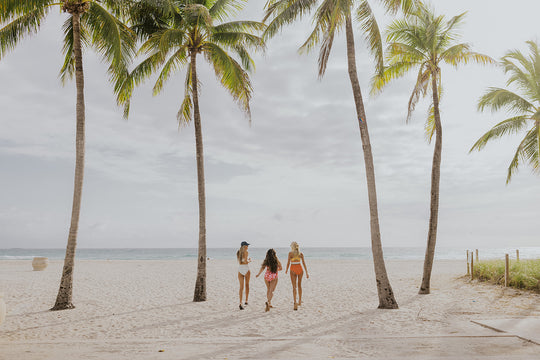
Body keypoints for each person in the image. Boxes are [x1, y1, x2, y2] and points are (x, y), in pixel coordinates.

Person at [285, 241, 309, 310]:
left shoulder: (290, 253)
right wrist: (307, 272)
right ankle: (299, 301)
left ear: (292, 247)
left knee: (294, 287)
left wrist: (286, 270)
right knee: (299, 285)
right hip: (300, 269)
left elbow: (288, 263)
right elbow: (304, 263)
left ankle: (295, 301)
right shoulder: (301, 254)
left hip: (292, 269)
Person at [236, 241, 251, 310]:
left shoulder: (238, 252)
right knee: (247, 285)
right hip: (246, 268)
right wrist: (249, 260)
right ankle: (246, 301)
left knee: (241, 287)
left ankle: (240, 302)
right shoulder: (246, 252)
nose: (247, 247)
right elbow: (245, 261)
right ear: (244, 246)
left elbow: (240, 261)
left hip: (240, 269)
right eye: (247, 246)